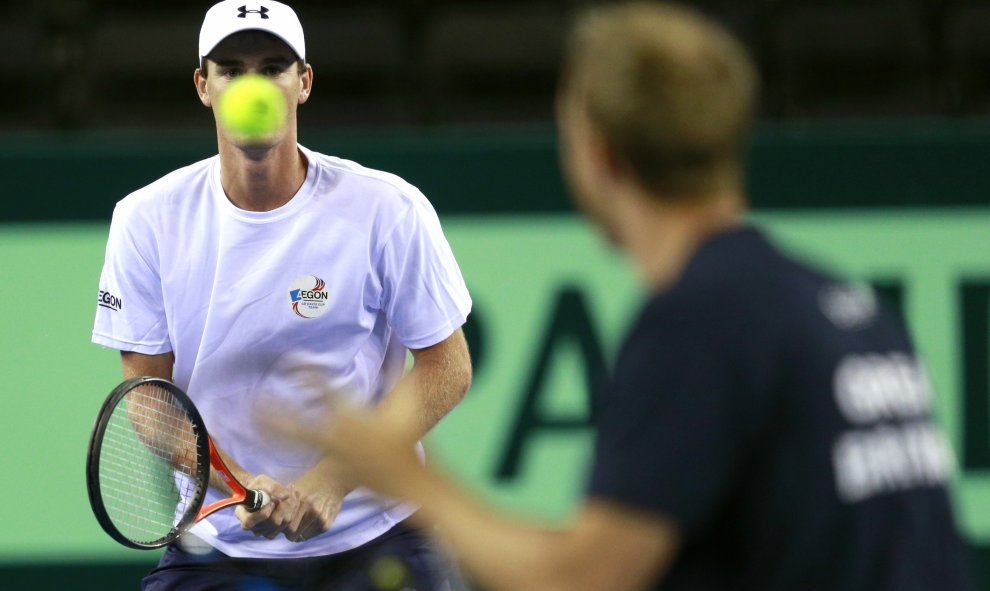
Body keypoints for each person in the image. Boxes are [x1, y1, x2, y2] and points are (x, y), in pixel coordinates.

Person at [268, 3, 975, 590]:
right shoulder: (846, 307)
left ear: (600, 155)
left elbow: (584, 577)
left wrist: (397, 472)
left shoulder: (701, 322)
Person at [91, 1, 473, 589]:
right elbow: (147, 392)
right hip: (216, 546)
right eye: (232, 69)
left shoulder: (388, 208)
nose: (255, 85)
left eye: (273, 67)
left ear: (303, 83)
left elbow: (447, 367)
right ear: (203, 86)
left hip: (380, 535)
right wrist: (240, 480)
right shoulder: (145, 219)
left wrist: (336, 477)